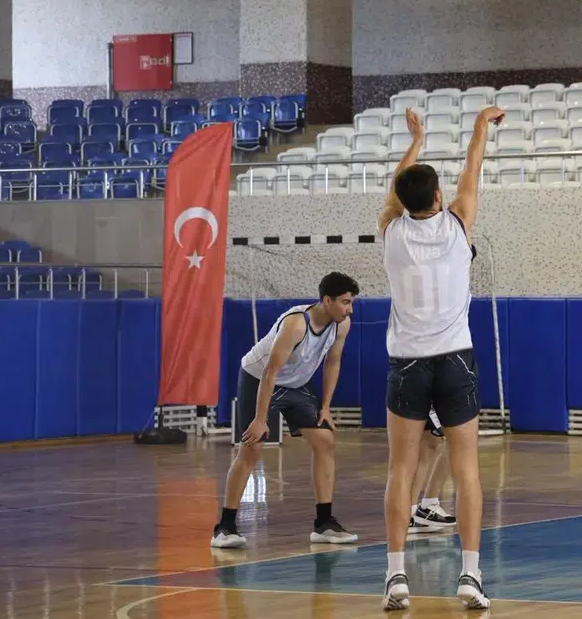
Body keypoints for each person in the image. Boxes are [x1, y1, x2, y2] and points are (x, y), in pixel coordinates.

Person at [379, 105, 502, 611]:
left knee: (400, 469)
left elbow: (395, 188)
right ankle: (470, 574)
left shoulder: (390, 231)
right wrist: (479, 126)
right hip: (455, 360)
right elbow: (474, 164)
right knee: (466, 468)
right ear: (438, 197)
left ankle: (396, 577)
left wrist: (416, 141)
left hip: (407, 363)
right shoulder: (458, 224)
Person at [210, 272, 360, 549]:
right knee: (252, 448)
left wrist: (326, 407)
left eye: (351, 303)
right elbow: (270, 371)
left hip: (296, 384)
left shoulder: (341, 325)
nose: (350, 309)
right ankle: (225, 527)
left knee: (325, 440)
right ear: (327, 300)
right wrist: (259, 419)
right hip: (260, 378)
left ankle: (324, 523)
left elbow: (333, 362)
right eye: (345, 302)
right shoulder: (296, 324)